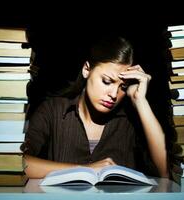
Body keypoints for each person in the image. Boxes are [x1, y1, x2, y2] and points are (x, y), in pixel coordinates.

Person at [21, 36, 169, 178]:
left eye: (123, 87)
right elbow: (18, 163)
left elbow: (164, 174)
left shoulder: (131, 120)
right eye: (107, 81)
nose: (114, 94)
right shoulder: (53, 110)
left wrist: (140, 101)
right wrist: (86, 170)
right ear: (87, 70)